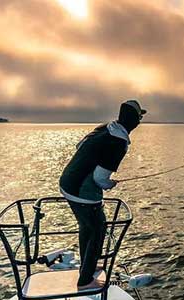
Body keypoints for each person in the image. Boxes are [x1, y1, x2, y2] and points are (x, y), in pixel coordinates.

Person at [59, 99, 146, 290]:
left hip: (67, 182)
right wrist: (109, 183)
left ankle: (86, 268)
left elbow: (79, 145)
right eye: (139, 117)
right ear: (135, 121)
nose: (140, 120)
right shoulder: (119, 141)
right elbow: (100, 178)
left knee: (87, 228)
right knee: (98, 230)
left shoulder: (106, 127)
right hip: (82, 192)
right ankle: (85, 281)